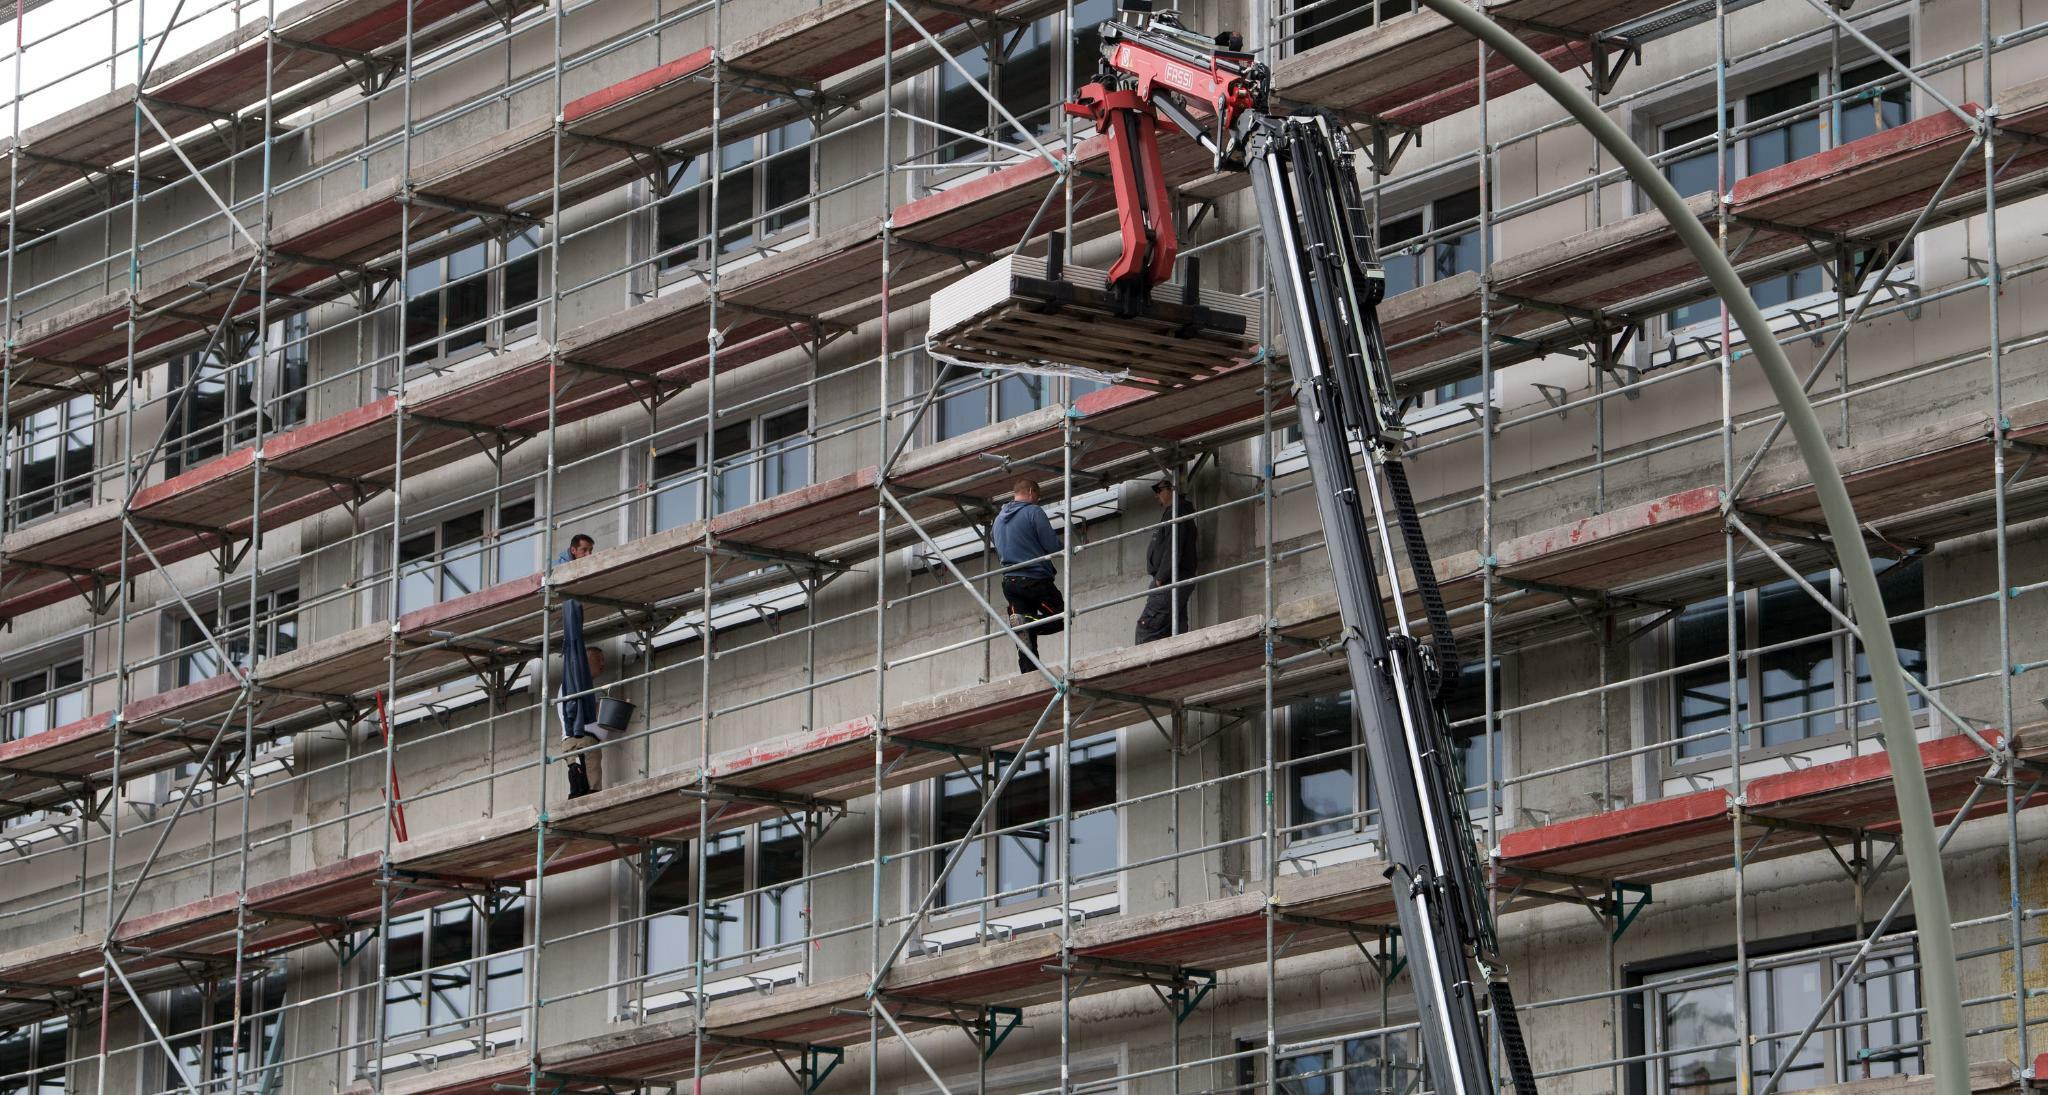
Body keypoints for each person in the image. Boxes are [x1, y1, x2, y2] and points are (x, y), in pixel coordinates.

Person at [992, 478, 1064, 675]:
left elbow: (998, 547)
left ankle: (1029, 674)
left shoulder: (997, 520)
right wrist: (1064, 547)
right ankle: (1029, 623)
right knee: (1060, 617)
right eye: (1038, 497)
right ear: (1031, 492)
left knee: (1024, 639)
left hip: (1010, 582)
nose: (1037, 501)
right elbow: (1051, 545)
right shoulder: (1033, 511)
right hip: (1035, 578)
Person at [558, 534, 604, 797]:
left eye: (591, 550)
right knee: (591, 790)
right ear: (573, 550)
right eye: (584, 550)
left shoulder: (578, 680)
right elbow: (575, 712)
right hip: (580, 740)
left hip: (575, 742)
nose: (589, 555)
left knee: (579, 785)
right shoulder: (574, 678)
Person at [1136, 479, 1198, 643]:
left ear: (1172, 489)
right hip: (1173, 578)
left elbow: (1173, 548)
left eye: (1159, 489)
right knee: (1175, 631)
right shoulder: (1175, 512)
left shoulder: (1176, 512)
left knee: (1146, 630)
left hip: (1169, 580)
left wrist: (1160, 578)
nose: (1157, 495)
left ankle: (1146, 668)